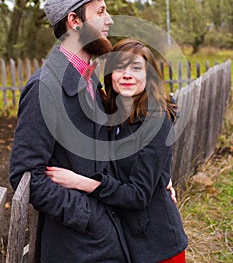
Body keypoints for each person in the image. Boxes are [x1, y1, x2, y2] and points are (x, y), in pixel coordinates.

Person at [9, 0, 131, 263]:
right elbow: (26, 175)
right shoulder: (44, 87)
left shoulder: (90, 79)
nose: (109, 19)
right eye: (100, 12)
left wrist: (158, 180)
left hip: (110, 234)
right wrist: (88, 214)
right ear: (75, 22)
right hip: (79, 247)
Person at [45, 38, 188, 263]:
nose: (127, 74)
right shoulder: (111, 114)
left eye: (136, 68)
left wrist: (81, 182)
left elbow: (138, 195)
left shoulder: (156, 120)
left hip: (158, 246)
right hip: (124, 242)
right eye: (119, 67)